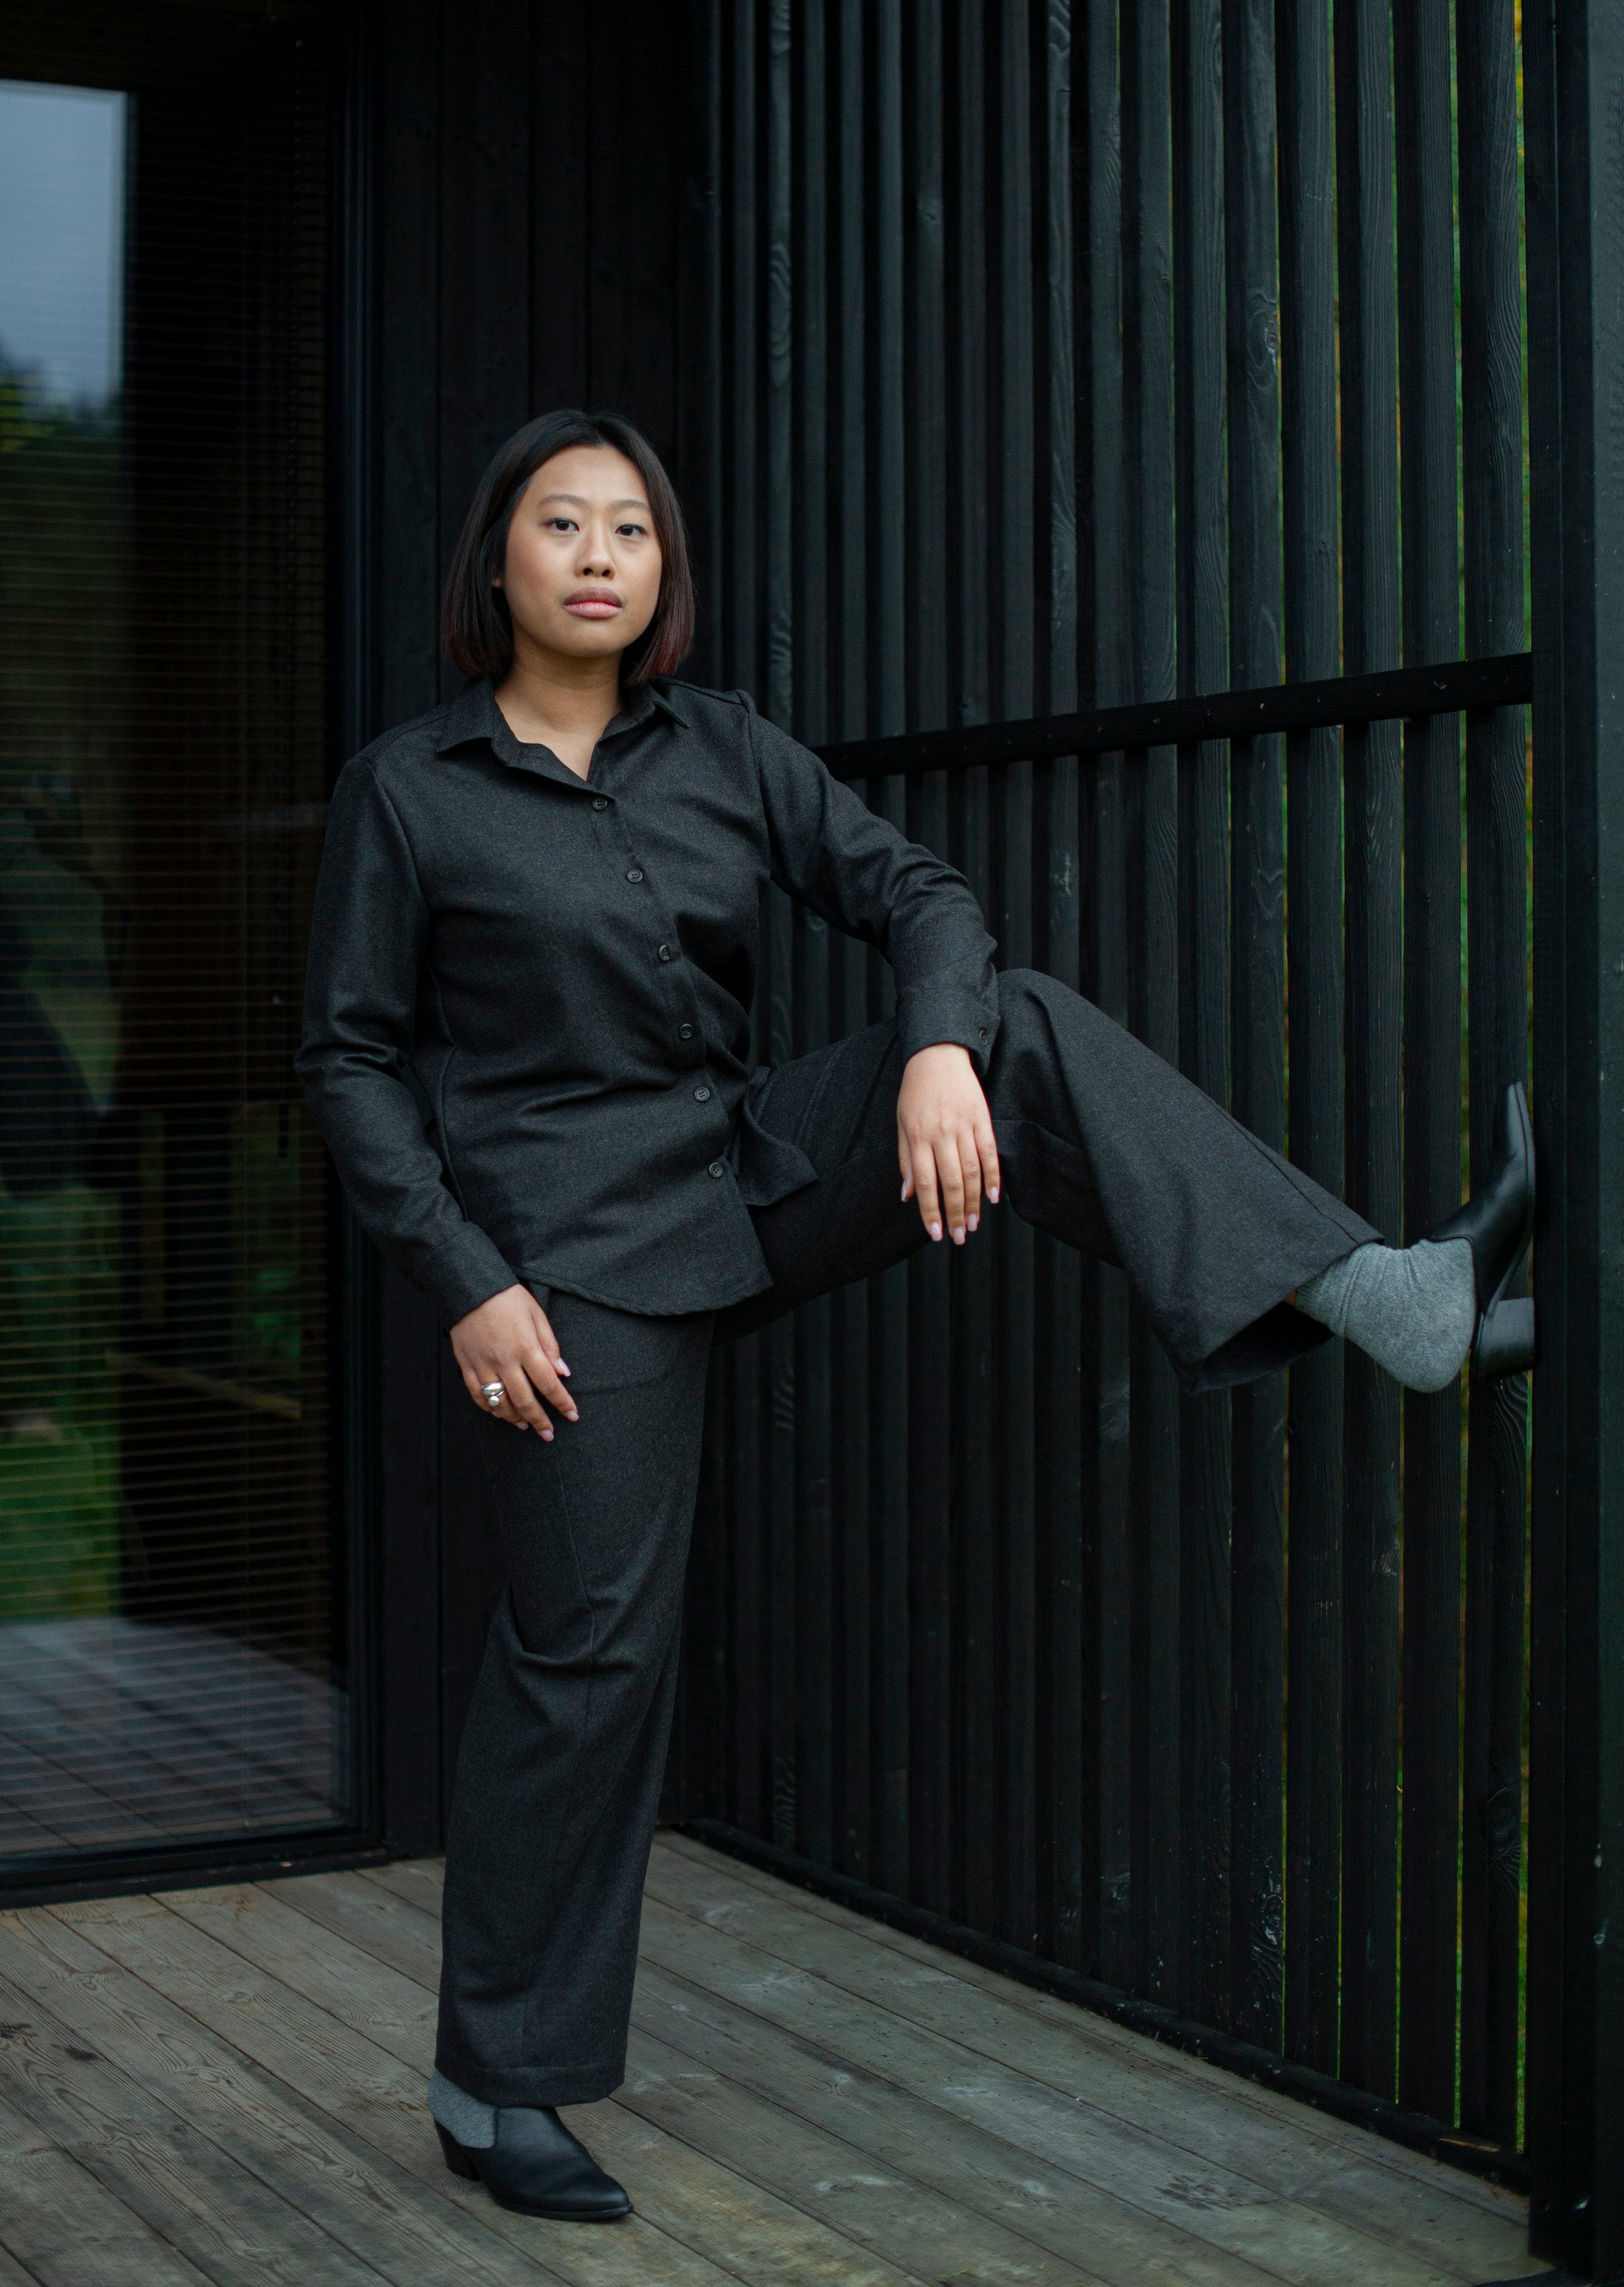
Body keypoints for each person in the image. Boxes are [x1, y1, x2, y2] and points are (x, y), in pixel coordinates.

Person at [296, 407, 1534, 2226]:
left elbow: (916, 892)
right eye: (559, 525)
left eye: (630, 530)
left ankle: (1391, 1301)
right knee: (587, 1665)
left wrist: (939, 1045)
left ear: (664, 575)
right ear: (499, 561)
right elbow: (345, 1059)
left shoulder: (722, 749)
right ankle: (497, 2088)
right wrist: (467, 1279)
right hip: (560, 1269)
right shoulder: (411, 790)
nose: (596, 555)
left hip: (743, 1176)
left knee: (1013, 1015)